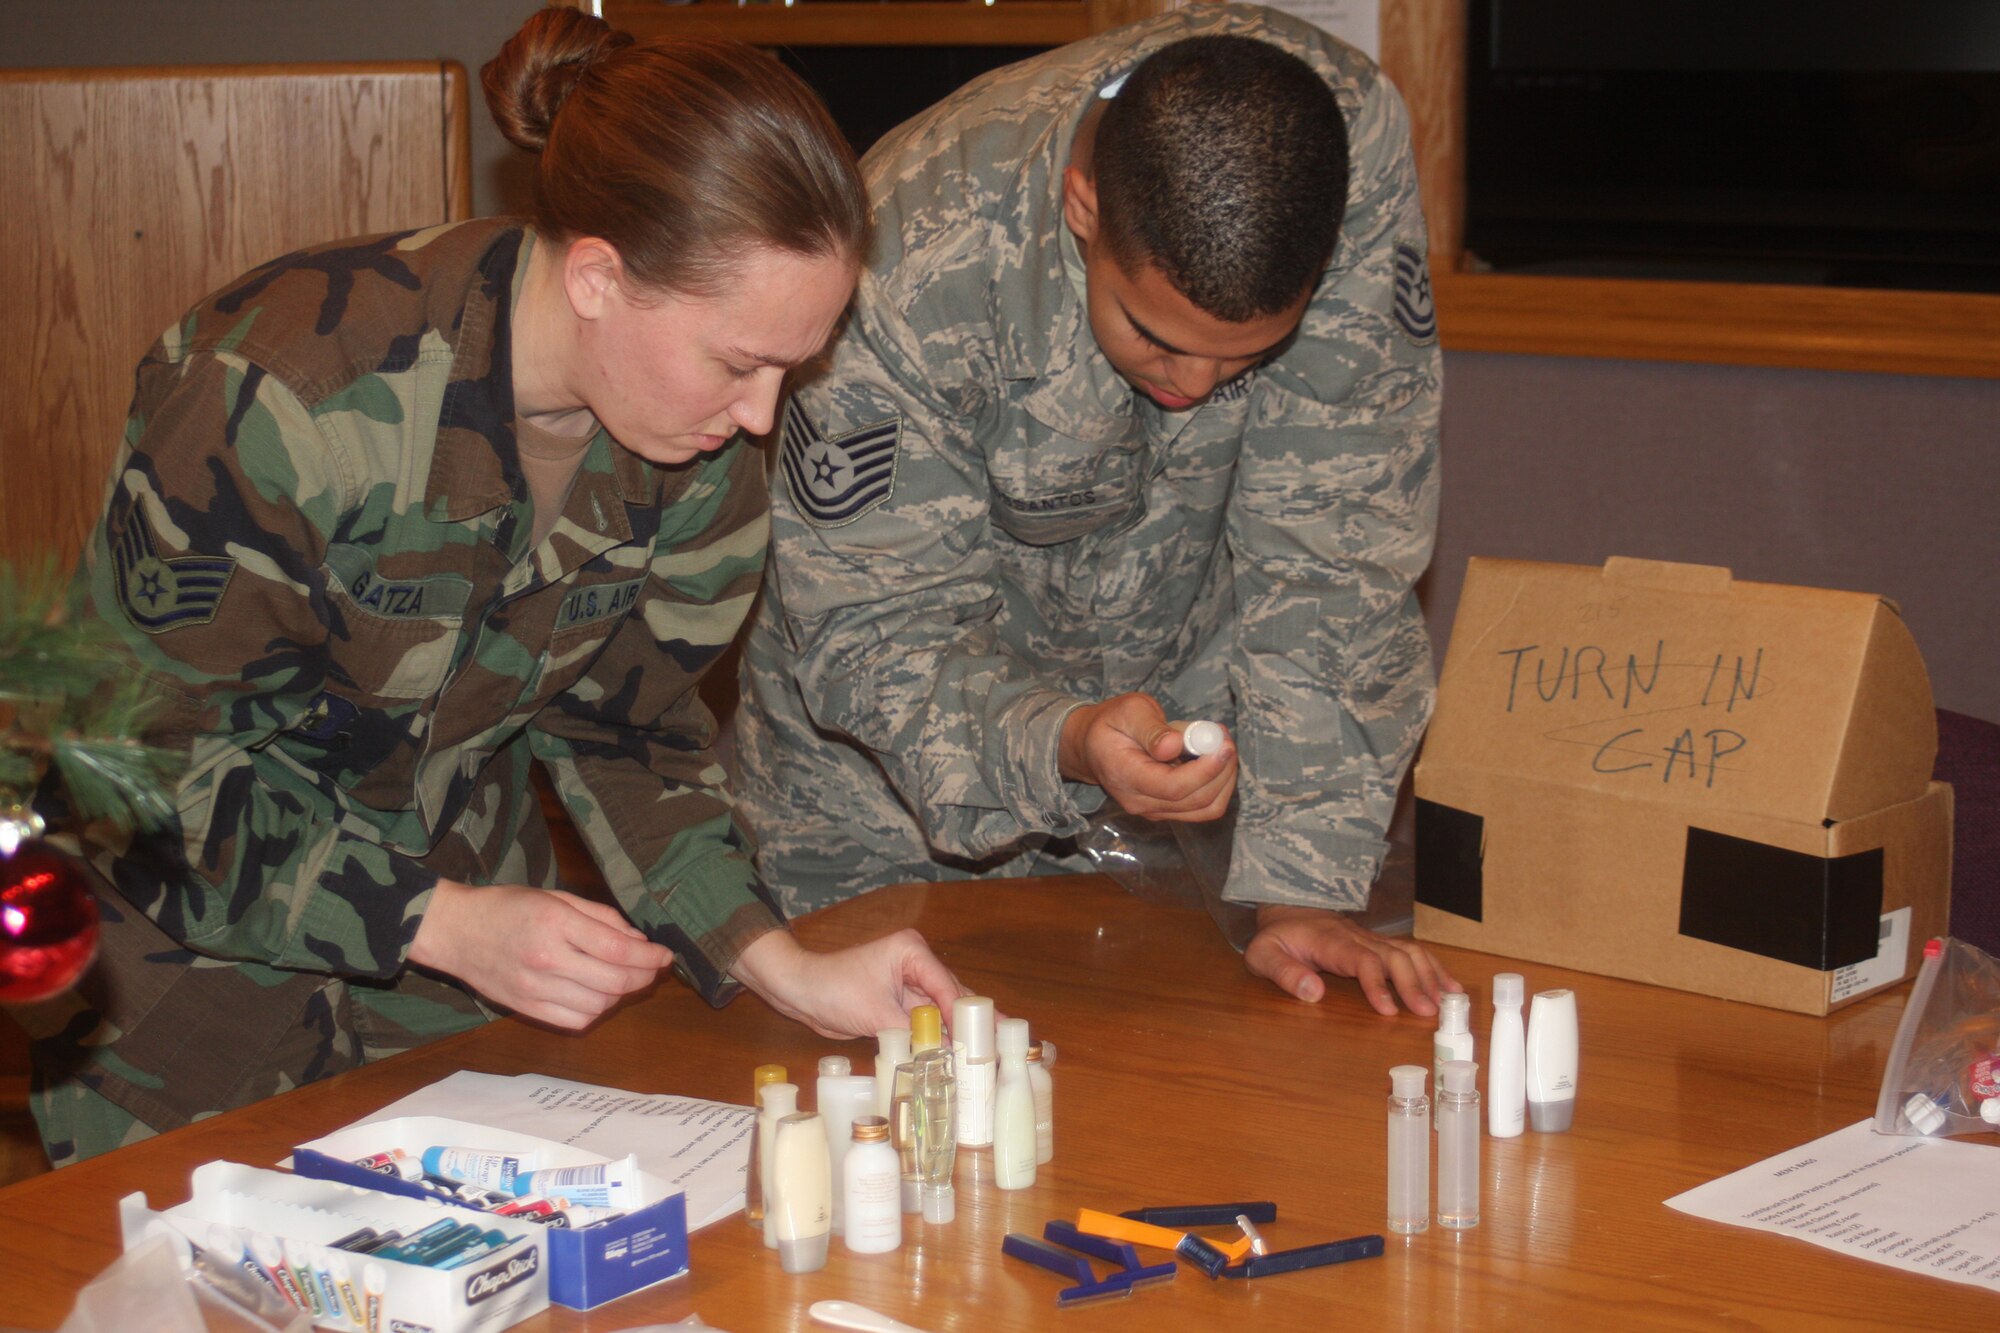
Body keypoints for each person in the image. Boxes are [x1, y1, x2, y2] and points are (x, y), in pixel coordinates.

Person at [24, 5, 960, 1168]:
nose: (763, 414)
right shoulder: (276, 400)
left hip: (455, 986)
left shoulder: (695, 449)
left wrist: (781, 963)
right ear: (600, 278)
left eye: (793, 365)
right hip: (188, 991)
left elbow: (630, 737)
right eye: (739, 360)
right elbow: (146, 780)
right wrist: (440, 921)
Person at [735, 4, 1457, 1015]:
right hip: (877, 813)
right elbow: (874, 637)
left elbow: (1337, 548)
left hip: (1169, 794)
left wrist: (1298, 886)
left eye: (1248, 355)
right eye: (1154, 335)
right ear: (1081, 206)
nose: (1197, 383)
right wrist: (1063, 740)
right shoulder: (904, 259)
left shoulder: (1340, 151)